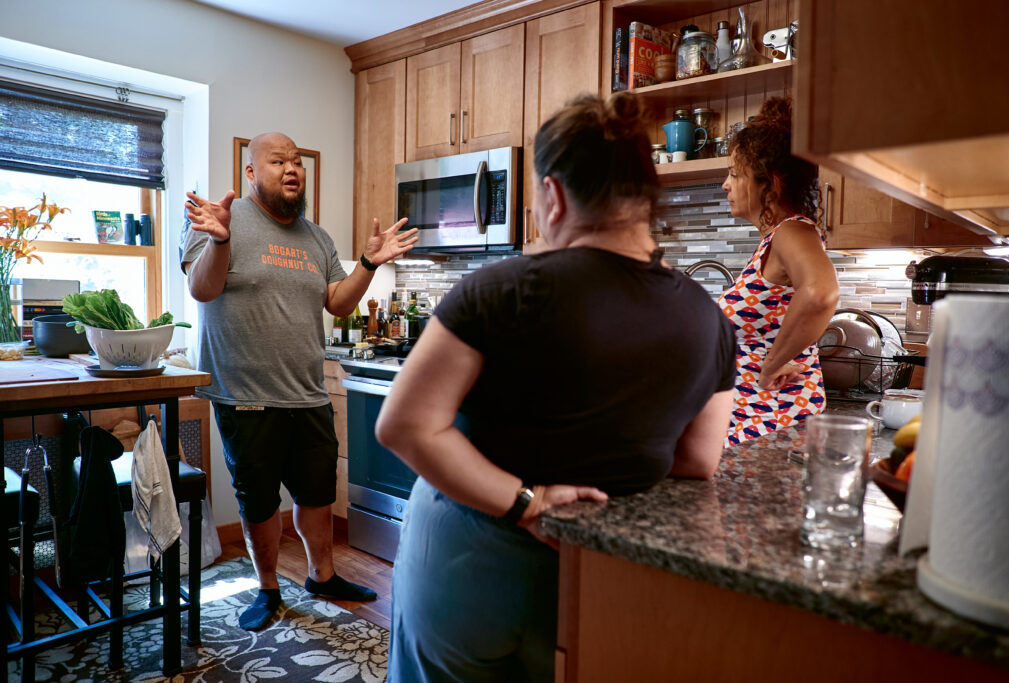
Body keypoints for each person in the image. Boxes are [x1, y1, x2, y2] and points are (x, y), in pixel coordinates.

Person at [375, 93, 736, 682]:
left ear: (555, 194)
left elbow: (405, 423)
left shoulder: (501, 289)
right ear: (645, 197)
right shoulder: (711, 322)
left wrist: (527, 501)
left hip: (468, 558)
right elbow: (698, 460)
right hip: (595, 573)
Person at [180, 132, 418, 631]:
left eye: (297, 162)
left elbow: (338, 302)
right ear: (251, 173)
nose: (291, 169)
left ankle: (322, 575)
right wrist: (220, 241)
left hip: (307, 391)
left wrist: (369, 263)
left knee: (316, 494)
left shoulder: (317, 237)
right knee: (260, 499)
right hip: (245, 394)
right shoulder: (219, 219)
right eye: (277, 161)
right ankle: (268, 587)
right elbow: (203, 289)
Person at [717, 97, 840, 446]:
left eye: (735, 174)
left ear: (769, 184)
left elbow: (820, 293)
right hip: (757, 426)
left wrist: (771, 366)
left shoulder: (792, 231)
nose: (725, 185)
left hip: (773, 429)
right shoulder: (777, 239)